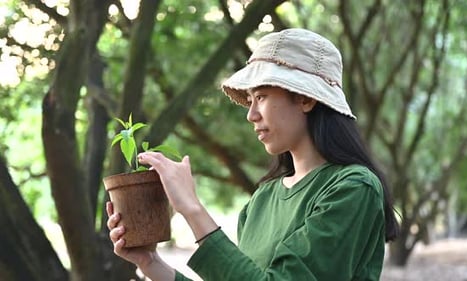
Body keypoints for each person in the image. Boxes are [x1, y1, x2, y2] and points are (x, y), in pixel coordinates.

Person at [107, 28, 399, 281]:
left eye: (261, 97)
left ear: (306, 98)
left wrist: (192, 209)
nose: (251, 114)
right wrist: (151, 263)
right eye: (250, 100)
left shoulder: (352, 188)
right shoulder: (262, 199)